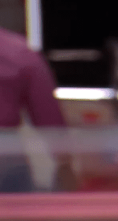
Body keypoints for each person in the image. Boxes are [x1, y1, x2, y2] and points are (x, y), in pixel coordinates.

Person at [0, 27, 75, 192]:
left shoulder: (20, 52)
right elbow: (50, 119)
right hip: (6, 161)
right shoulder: (19, 51)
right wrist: (65, 168)